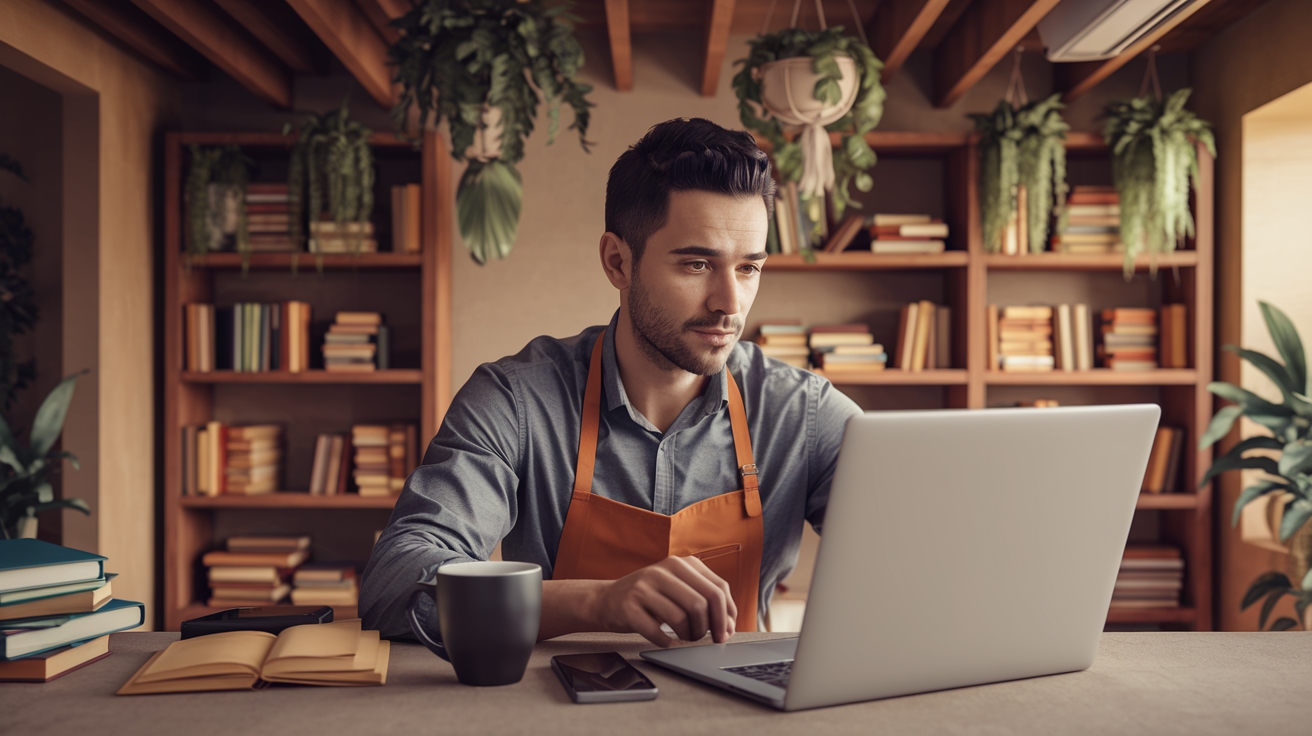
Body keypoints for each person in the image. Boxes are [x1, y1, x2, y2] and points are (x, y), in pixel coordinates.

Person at [360, 117, 861, 648]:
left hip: (739, 699)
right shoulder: (516, 401)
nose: (729, 304)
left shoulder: (802, 413)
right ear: (617, 262)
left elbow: (913, 550)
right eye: (697, 265)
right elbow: (394, 585)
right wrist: (596, 603)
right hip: (555, 696)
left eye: (748, 268)